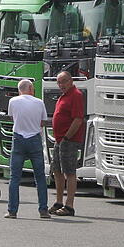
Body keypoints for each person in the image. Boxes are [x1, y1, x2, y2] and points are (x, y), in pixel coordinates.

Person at [5, 79, 51, 219]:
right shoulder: (39, 102)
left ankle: (12, 210)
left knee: (15, 177)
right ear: (31, 88)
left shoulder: (13, 101)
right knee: (40, 176)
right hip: (34, 138)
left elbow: (13, 118)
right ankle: (43, 210)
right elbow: (43, 122)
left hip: (18, 138)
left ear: (20, 90)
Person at [48, 71, 85, 216]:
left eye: (63, 81)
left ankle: (69, 205)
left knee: (69, 172)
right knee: (57, 170)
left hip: (68, 140)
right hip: (60, 140)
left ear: (70, 81)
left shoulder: (76, 95)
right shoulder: (64, 96)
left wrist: (67, 137)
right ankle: (59, 202)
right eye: (59, 82)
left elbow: (78, 119)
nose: (61, 85)